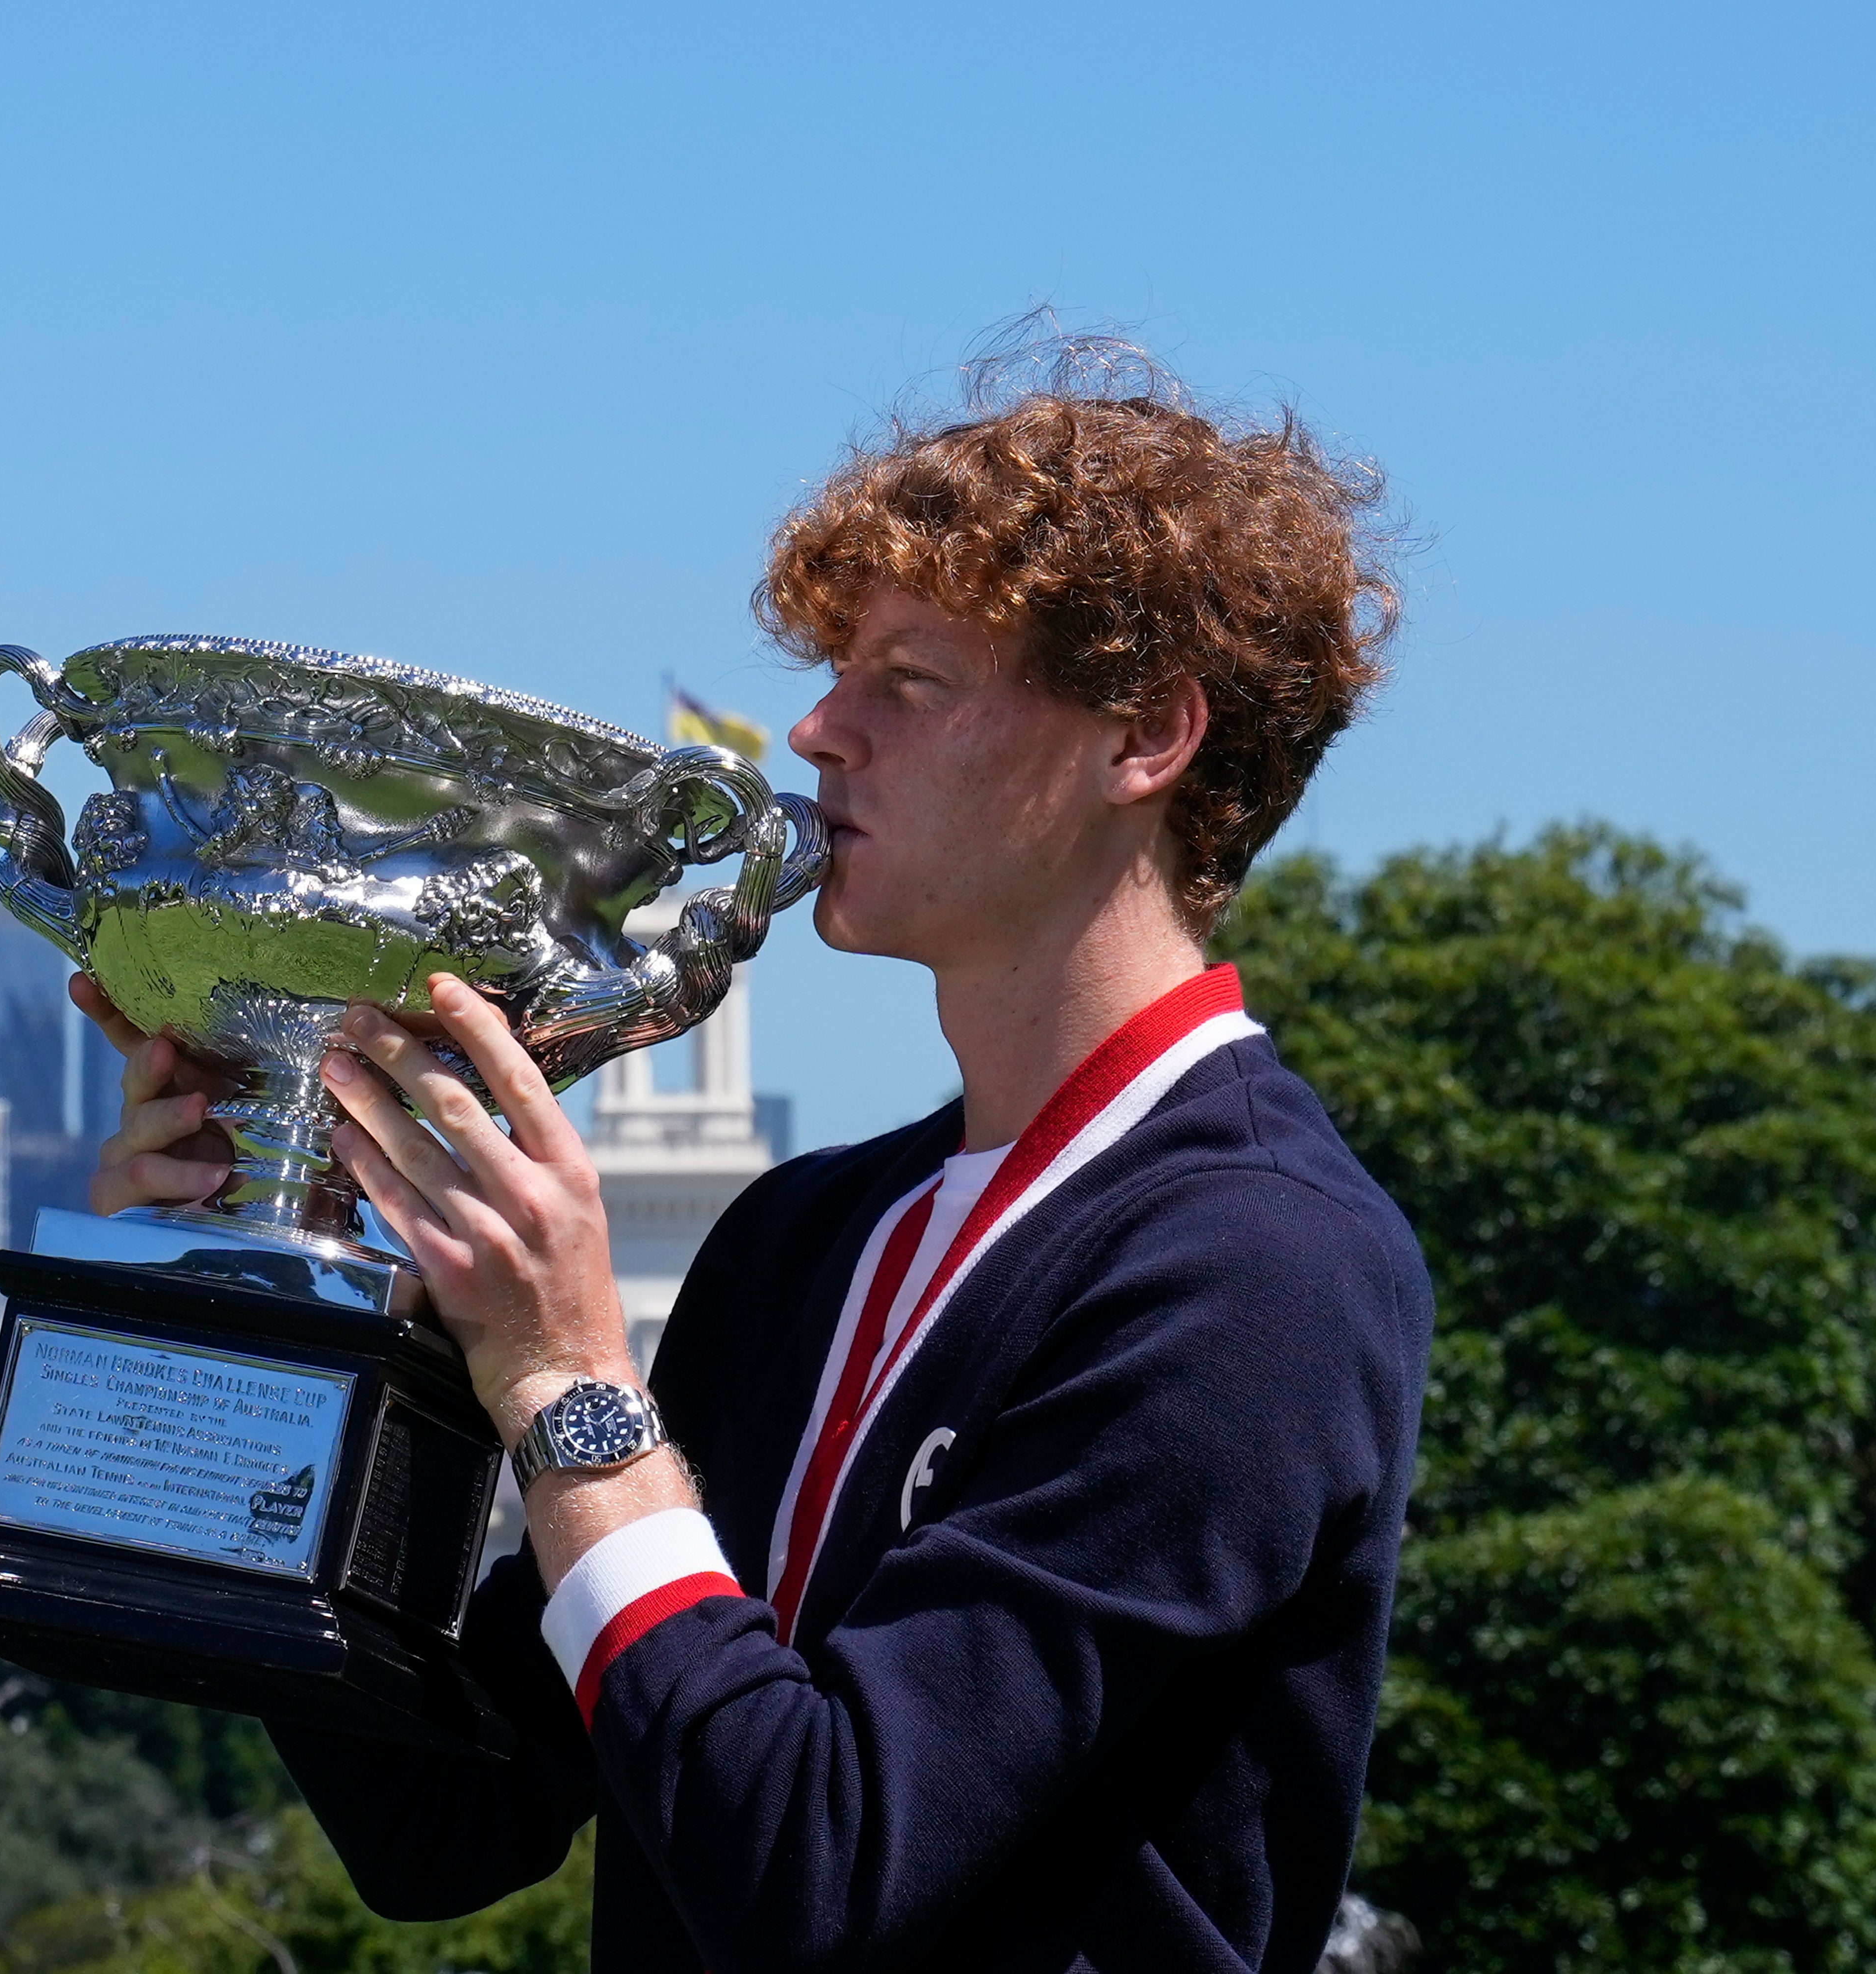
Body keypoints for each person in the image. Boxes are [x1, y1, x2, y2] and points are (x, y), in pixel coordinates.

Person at [72, 339, 1433, 1974]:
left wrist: (573, 1387)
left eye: (907, 682)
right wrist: (269, 1288)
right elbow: (440, 1822)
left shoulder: (1256, 1269)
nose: (814, 731)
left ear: (1144, 738)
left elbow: (823, 1874)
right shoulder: (806, 1236)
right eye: (834, 673)